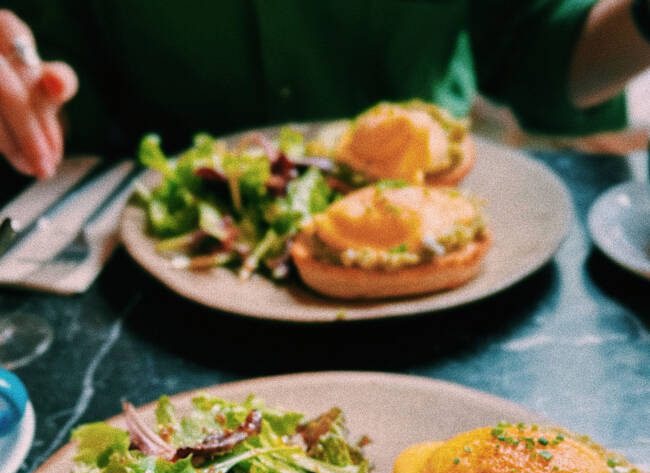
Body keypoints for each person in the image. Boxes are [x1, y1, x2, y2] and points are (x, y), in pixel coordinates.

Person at [1, 1, 650, 180]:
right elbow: (57, 94)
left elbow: (543, 54)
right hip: (168, 270)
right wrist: (23, 94)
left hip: (443, 233)